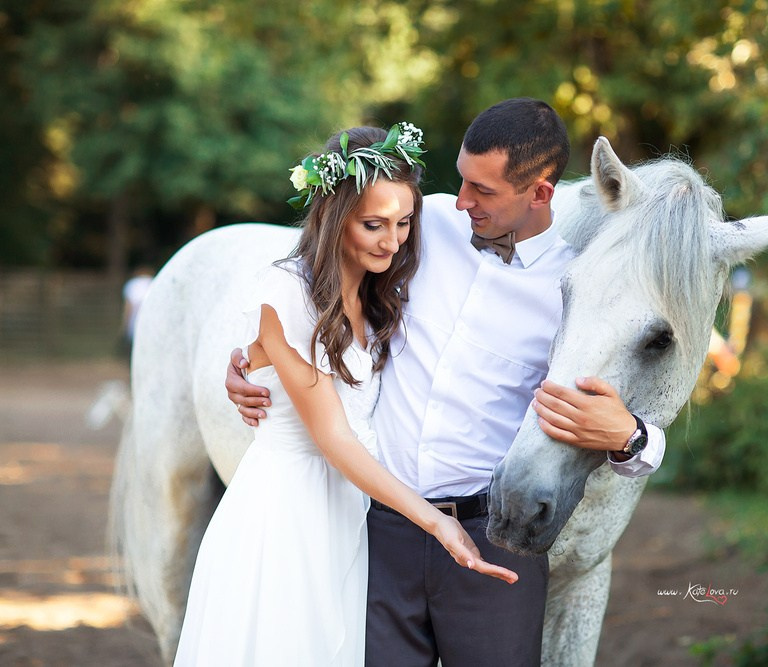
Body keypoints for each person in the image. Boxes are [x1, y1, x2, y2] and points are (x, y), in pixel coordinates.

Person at [226, 99, 666, 666]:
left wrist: (631, 435)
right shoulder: (417, 220)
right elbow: (309, 280)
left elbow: (643, 401)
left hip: (494, 539)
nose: (461, 201)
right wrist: (249, 359)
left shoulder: (578, 285)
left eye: (483, 191)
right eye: (462, 180)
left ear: (539, 193)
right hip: (377, 534)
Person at [174, 124, 515, 666]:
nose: (393, 240)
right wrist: (434, 520)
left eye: (404, 223)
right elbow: (333, 436)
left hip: (350, 511)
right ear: (334, 218)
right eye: (374, 225)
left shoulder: (380, 290)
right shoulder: (287, 290)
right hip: (288, 514)